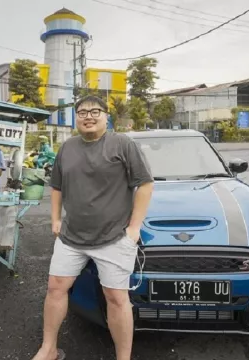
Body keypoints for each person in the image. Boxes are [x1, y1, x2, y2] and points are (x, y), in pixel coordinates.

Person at [31, 95, 154, 360]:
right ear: (76, 118)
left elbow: (144, 184)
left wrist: (134, 227)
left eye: (94, 111)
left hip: (114, 237)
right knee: (55, 288)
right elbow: (57, 186)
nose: (88, 116)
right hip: (71, 237)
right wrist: (55, 219)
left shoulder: (123, 144)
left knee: (116, 298)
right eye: (82, 112)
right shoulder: (67, 147)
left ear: (106, 116)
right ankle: (48, 348)